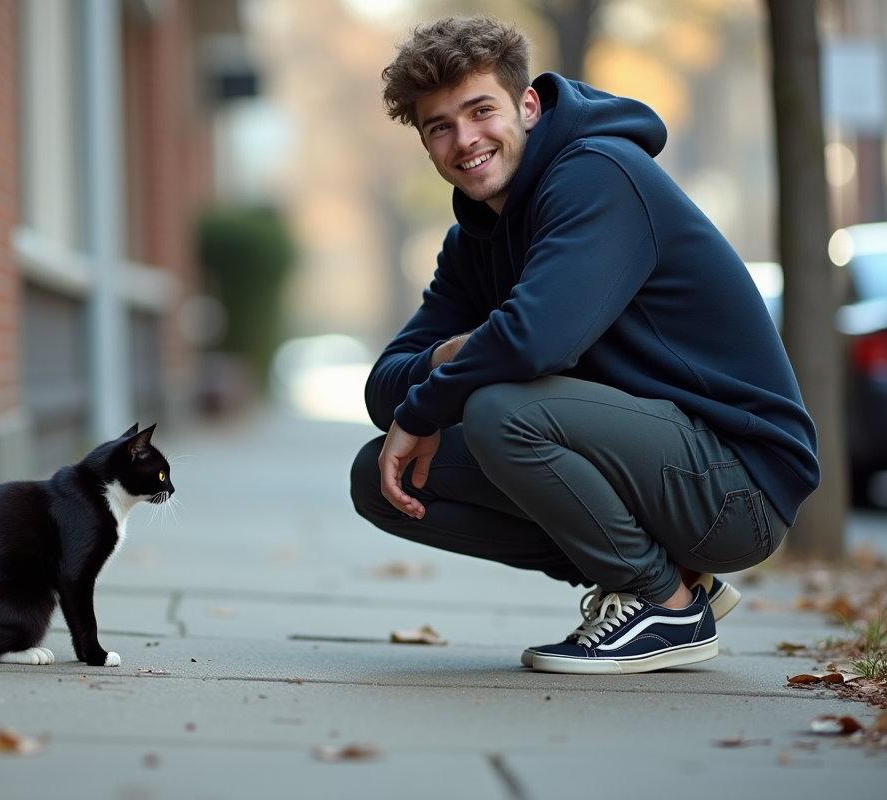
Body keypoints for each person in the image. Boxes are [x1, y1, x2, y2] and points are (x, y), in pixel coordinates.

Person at [349, 16, 820, 675]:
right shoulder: (473, 243)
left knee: (500, 412)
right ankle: (667, 579)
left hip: (737, 485)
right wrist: (449, 359)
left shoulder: (599, 176)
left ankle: (665, 606)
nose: (466, 140)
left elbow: (538, 342)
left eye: (481, 110)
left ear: (529, 105)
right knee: (383, 477)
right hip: (656, 472)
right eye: (440, 127)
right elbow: (384, 388)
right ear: (426, 144)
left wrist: (429, 404)